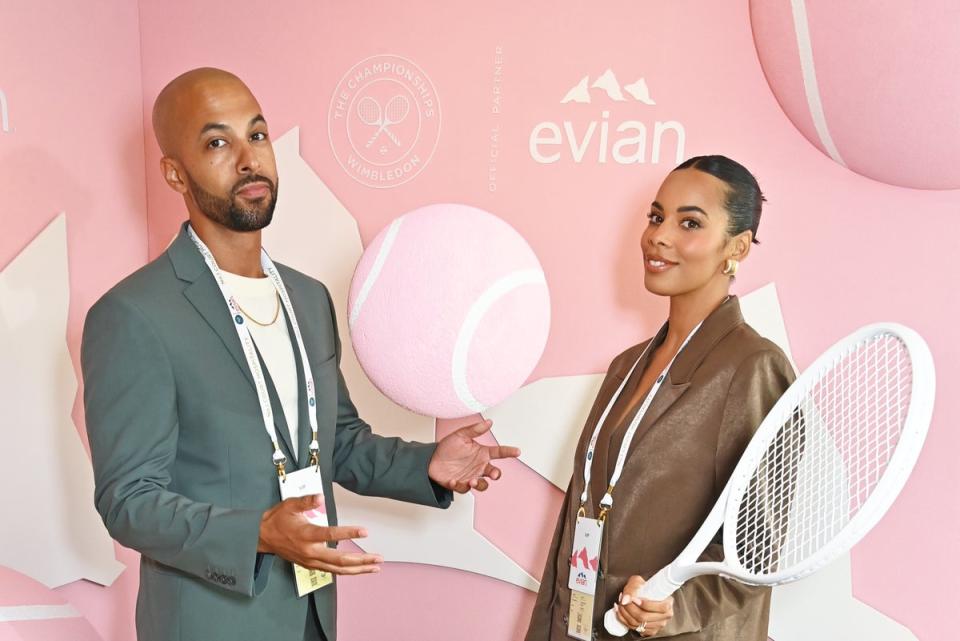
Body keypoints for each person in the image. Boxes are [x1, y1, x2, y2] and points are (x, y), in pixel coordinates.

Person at [81, 67, 519, 641]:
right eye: (217, 142)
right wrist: (257, 532)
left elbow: (335, 441)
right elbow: (129, 501)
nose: (248, 159)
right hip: (211, 623)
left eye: (257, 135)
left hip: (312, 611)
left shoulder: (308, 299)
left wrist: (425, 464)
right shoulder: (134, 315)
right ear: (173, 172)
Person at [525, 156, 795, 640]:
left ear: (736, 247)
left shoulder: (753, 367)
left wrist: (675, 607)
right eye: (656, 217)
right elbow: (583, 512)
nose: (659, 236)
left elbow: (756, 548)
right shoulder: (626, 366)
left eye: (689, 222)